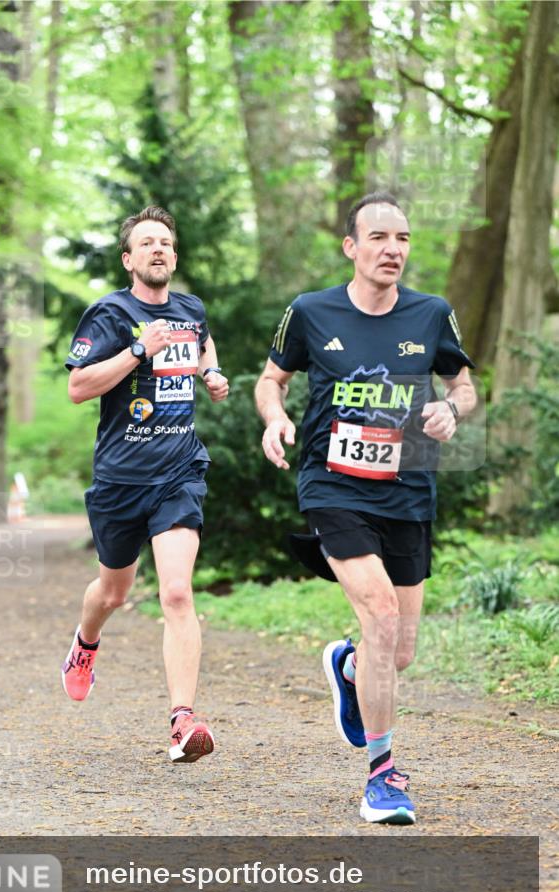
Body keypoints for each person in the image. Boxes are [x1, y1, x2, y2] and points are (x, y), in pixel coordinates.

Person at [255, 192, 476, 824]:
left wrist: (452, 408)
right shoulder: (311, 312)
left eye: (403, 238)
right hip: (334, 486)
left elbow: (463, 382)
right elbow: (271, 379)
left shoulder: (432, 314)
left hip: (407, 490)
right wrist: (274, 417)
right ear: (352, 247)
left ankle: (347, 665)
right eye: (379, 237)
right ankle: (383, 774)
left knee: (396, 650)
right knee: (380, 615)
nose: (393, 250)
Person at [63, 205, 228, 763]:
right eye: (146, 243)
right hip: (119, 479)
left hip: (178, 471)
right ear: (129, 259)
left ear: (173, 256)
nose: (158, 249)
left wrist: (210, 372)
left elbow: (203, 342)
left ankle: (183, 719)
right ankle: (85, 646)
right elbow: (79, 387)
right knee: (113, 592)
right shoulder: (108, 313)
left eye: (166, 243)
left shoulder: (190, 309)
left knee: (177, 592)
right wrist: (138, 350)